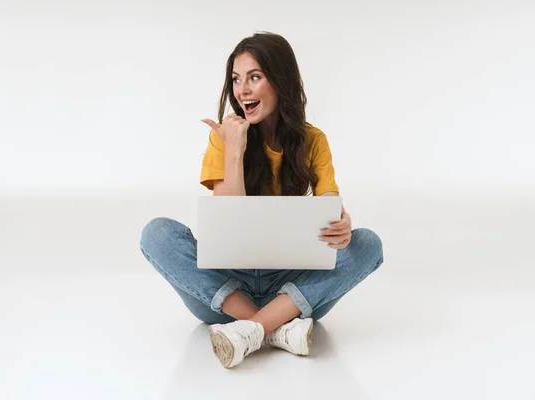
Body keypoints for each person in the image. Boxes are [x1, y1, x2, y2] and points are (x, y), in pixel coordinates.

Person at [140, 32, 384, 369]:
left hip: (291, 286)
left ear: (281, 80)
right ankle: (272, 330)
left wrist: (341, 224)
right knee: (157, 233)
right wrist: (234, 149)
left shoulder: (313, 140)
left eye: (255, 77)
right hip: (225, 290)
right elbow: (228, 224)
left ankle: (250, 331)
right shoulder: (225, 138)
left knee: (367, 244)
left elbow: (329, 201)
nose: (242, 90)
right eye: (237, 80)